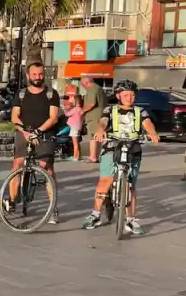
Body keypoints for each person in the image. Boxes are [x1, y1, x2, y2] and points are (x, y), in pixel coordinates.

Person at [82, 80, 160, 234]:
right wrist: (100, 130)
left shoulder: (140, 111)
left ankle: (130, 220)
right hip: (112, 147)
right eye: (126, 95)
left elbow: (147, 122)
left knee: (130, 186)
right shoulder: (110, 110)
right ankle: (95, 215)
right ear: (118, 96)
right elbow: (103, 121)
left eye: (132, 95)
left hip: (133, 149)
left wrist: (152, 133)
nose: (129, 98)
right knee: (105, 180)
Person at [6, 62, 61, 224]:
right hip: (24, 134)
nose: (38, 77)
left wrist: (38, 132)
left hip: (45, 135)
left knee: (46, 168)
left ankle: (53, 208)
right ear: (28, 76)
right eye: (34, 74)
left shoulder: (51, 94)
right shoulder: (21, 94)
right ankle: (12, 201)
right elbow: (15, 117)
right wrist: (26, 133)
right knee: (16, 165)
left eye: (40, 74)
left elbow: (53, 118)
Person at [80, 75, 107, 162]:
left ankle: (93, 157)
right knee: (98, 137)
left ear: (86, 82)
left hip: (94, 117)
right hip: (101, 115)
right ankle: (97, 156)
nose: (83, 87)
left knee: (92, 137)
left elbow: (91, 103)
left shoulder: (92, 89)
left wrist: (82, 111)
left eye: (82, 85)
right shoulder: (99, 88)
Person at [64, 92, 84, 161]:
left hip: (74, 127)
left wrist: (65, 109)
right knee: (77, 142)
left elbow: (67, 114)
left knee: (74, 143)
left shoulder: (75, 109)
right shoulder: (80, 109)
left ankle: (75, 157)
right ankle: (79, 155)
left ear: (76, 101)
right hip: (78, 127)